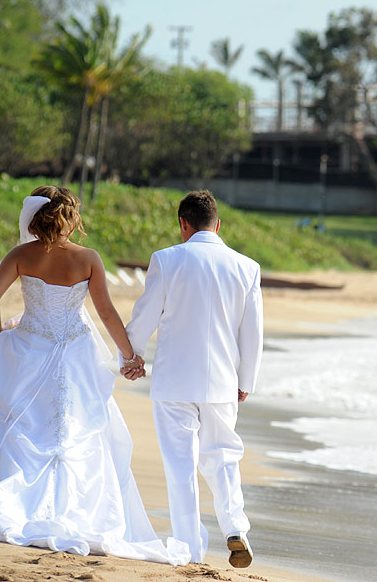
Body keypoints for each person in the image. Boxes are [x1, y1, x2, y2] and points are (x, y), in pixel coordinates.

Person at [0, 187, 189, 565]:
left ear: (34, 218)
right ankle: (80, 509)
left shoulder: (20, 255)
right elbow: (107, 314)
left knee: (23, 424)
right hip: (77, 352)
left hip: (31, 347)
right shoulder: (89, 259)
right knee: (79, 428)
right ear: (71, 218)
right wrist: (131, 356)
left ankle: (10, 500)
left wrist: (3, 336)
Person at [124, 190, 263, 568]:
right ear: (218, 225)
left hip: (173, 380)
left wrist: (129, 355)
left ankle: (188, 546)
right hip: (222, 381)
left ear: (183, 225)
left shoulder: (167, 259)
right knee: (223, 457)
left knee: (180, 464)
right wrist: (246, 380)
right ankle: (235, 527)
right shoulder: (246, 267)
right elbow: (252, 332)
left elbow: (146, 315)